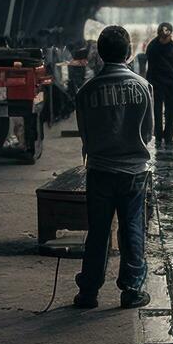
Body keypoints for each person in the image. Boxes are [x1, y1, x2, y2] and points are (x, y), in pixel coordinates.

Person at [72, 25, 154, 310]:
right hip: (134, 172)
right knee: (132, 228)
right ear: (129, 53)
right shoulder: (143, 87)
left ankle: (89, 293)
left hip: (100, 170)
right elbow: (148, 133)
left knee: (98, 231)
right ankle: (132, 290)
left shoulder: (86, 91)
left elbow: (85, 136)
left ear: (100, 54)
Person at [143, 22, 173, 145]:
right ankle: (158, 136)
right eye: (162, 37)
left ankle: (168, 138)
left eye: (166, 37)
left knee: (171, 112)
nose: (164, 39)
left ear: (170, 35)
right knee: (157, 111)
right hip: (157, 83)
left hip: (171, 84)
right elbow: (150, 67)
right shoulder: (152, 47)